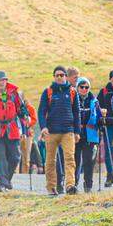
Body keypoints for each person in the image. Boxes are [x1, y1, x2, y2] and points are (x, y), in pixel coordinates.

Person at [38, 66, 80, 196]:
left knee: (69, 158)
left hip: (68, 131)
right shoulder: (48, 92)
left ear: (66, 76)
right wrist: (43, 127)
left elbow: (76, 113)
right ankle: (51, 187)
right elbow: (41, 111)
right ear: (54, 77)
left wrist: (77, 131)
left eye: (62, 75)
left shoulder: (73, 92)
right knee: (50, 161)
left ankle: (70, 186)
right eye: (57, 75)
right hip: (51, 132)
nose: (60, 77)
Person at [74, 77, 101, 192]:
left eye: (87, 87)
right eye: (81, 87)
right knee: (75, 161)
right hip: (76, 134)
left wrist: (103, 120)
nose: (84, 89)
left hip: (90, 135)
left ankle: (88, 185)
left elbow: (99, 116)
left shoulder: (94, 101)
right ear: (77, 88)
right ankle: (73, 184)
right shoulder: (73, 99)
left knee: (88, 161)